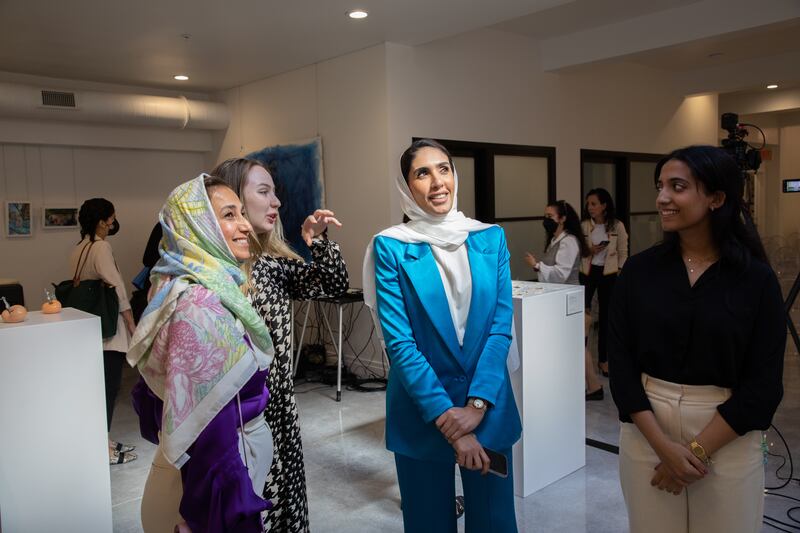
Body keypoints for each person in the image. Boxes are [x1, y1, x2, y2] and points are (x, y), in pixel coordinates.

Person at [609, 145, 786, 533]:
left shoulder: (755, 279)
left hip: (727, 431)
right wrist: (663, 449)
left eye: (677, 186)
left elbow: (765, 383)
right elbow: (620, 364)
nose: (662, 198)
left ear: (716, 198)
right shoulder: (639, 272)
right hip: (647, 427)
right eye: (660, 187)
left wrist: (693, 453)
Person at [363, 139, 521, 532]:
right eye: (422, 172)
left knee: (493, 521)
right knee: (427, 521)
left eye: (444, 169)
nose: (437, 182)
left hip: (486, 406)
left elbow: (500, 328)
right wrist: (447, 418)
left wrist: (476, 407)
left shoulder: (490, 238)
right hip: (421, 411)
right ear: (406, 185)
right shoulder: (391, 247)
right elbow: (399, 343)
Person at [128, 175, 275, 532]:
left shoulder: (188, 285)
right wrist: (215, 514)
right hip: (198, 495)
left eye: (241, 213)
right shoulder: (200, 302)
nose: (244, 226)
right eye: (228, 215)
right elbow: (211, 427)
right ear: (198, 226)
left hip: (195, 472)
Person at [213, 157, 348, 533]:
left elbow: (333, 286)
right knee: (251, 513)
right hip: (233, 419)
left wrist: (317, 240)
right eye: (264, 192)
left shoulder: (273, 263)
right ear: (233, 199)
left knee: (283, 510)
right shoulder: (212, 272)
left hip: (279, 410)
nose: (276, 202)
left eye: (275, 193)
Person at [70, 198, 137, 464]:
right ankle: (102, 448)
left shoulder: (79, 249)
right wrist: (131, 322)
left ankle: (102, 440)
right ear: (102, 221)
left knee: (96, 389)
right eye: (111, 218)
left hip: (89, 330)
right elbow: (117, 287)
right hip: (108, 330)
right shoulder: (101, 247)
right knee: (108, 389)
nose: (112, 224)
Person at [524, 200, 600, 399]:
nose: (546, 220)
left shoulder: (568, 241)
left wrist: (537, 265)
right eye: (545, 216)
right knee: (573, 345)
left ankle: (593, 387)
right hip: (559, 299)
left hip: (570, 300)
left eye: (550, 216)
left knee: (575, 345)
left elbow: (561, 274)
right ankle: (590, 386)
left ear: (563, 218)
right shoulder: (555, 240)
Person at [581, 187, 628, 376]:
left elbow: (624, 252)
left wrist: (620, 272)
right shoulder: (584, 225)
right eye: (588, 204)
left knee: (607, 316)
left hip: (609, 274)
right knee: (583, 315)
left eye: (594, 204)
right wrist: (589, 250)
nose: (590, 207)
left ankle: (603, 360)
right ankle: (581, 358)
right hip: (587, 272)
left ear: (604, 205)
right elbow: (577, 249)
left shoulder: (617, 225)